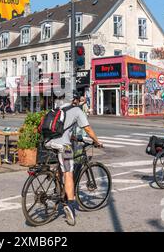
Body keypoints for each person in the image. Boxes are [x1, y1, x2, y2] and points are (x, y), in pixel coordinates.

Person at [44, 92, 103, 226]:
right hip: (64, 146)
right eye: (78, 100)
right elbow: (87, 129)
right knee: (68, 173)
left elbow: (61, 129)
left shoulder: (59, 109)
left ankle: (58, 190)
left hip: (49, 142)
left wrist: (74, 138)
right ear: (75, 101)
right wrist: (97, 142)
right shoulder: (77, 110)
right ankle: (69, 205)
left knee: (61, 166)